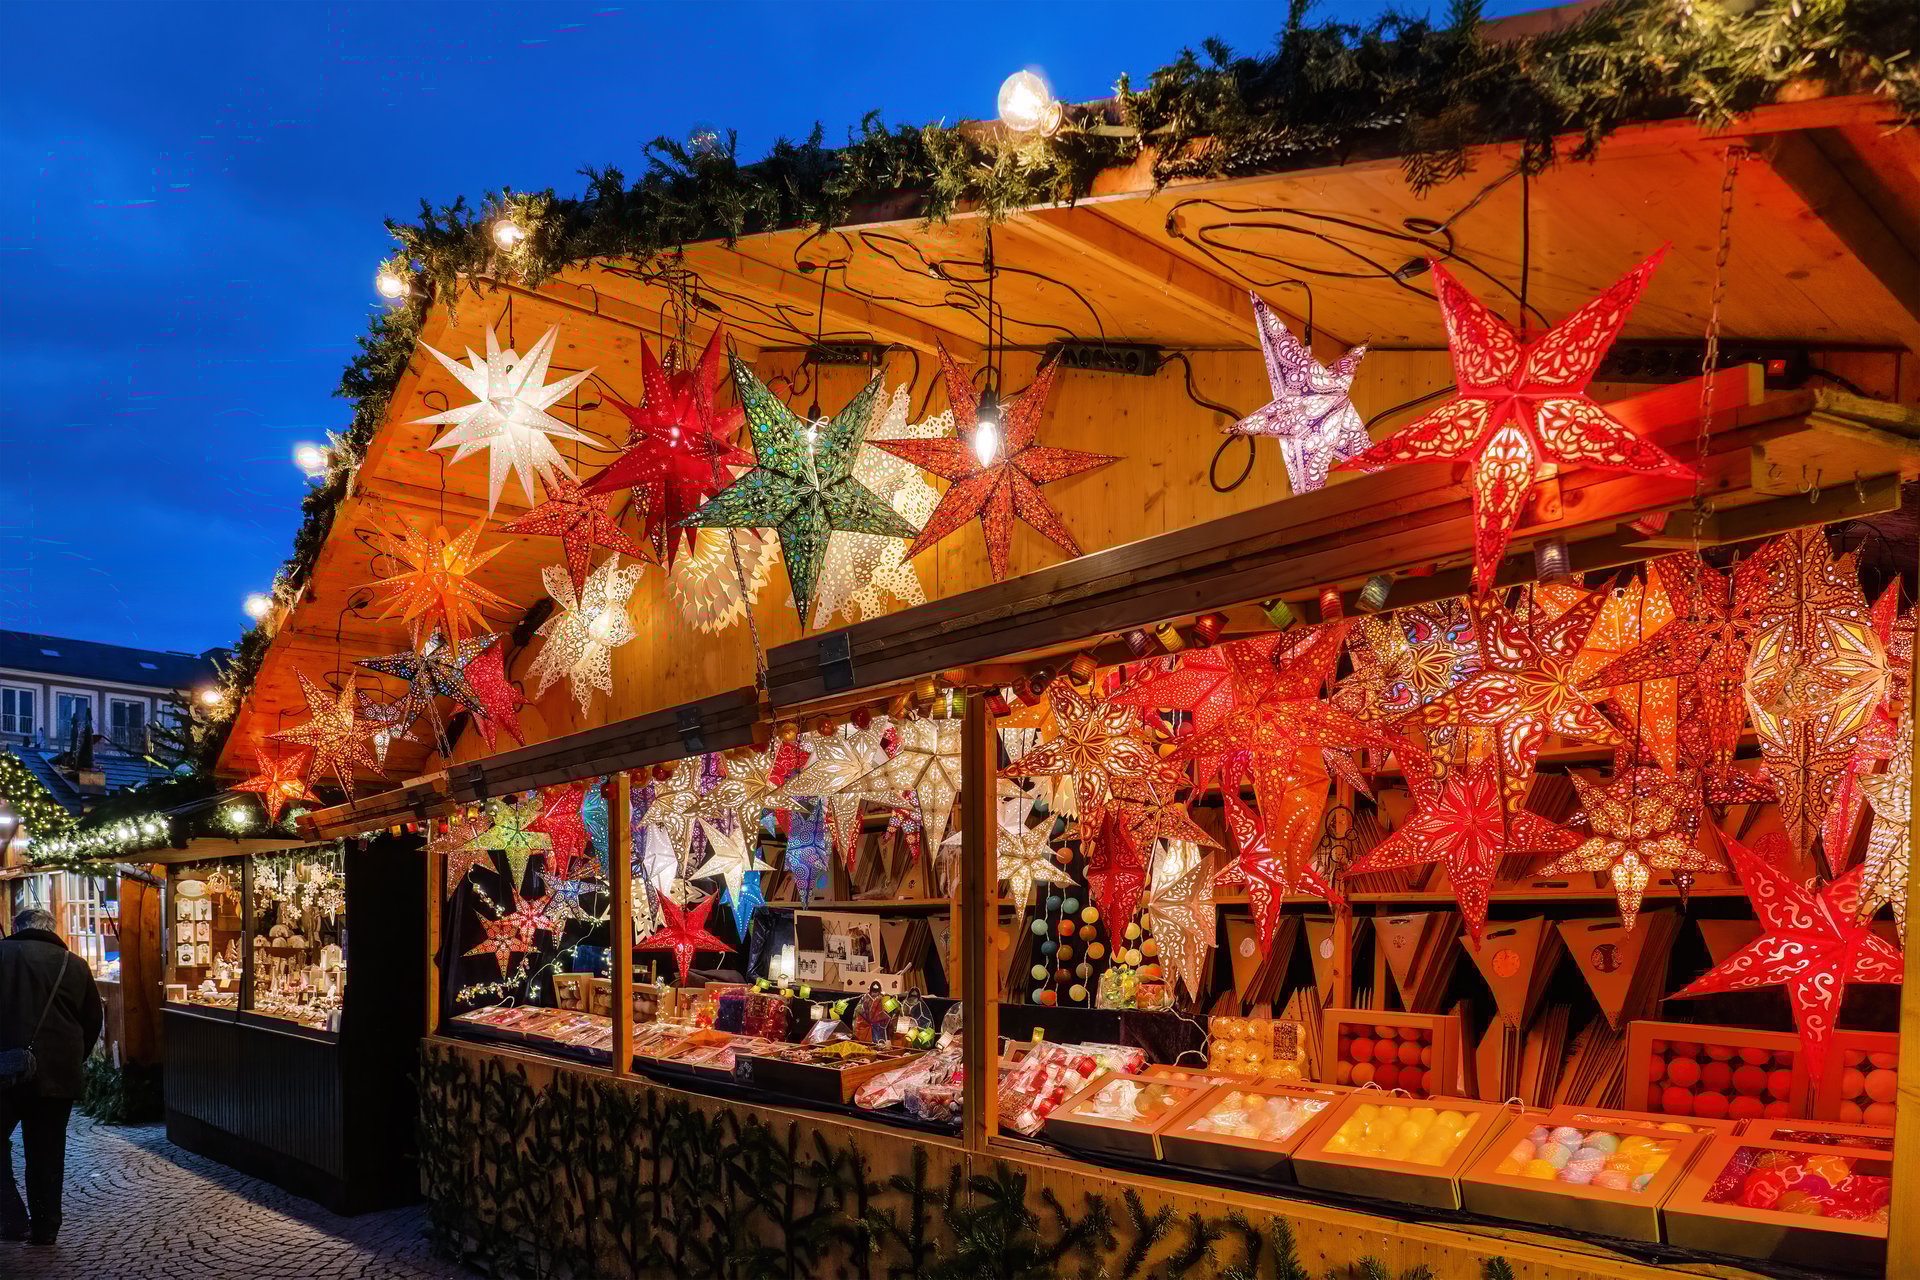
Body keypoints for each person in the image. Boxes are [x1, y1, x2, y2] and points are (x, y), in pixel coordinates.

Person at [0, 907, 102, 1247]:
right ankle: (46, 1227)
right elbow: (92, 1021)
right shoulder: (74, 964)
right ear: (52, 929)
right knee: (47, 1153)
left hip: (4, 1069)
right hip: (57, 1074)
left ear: (17, 927)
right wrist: (71, 1059)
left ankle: (11, 1216)